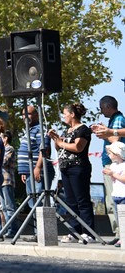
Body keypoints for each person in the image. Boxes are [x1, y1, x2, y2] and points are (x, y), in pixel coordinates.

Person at [48, 102, 94, 242]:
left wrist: (62, 143)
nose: (64, 117)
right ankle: (75, 231)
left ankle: (89, 232)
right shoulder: (66, 131)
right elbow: (60, 148)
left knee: (82, 199)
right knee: (70, 201)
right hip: (65, 168)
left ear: (72, 114)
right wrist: (56, 139)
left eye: (65, 114)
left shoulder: (83, 129)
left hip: (78, 167)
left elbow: (78, 147)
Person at [92, 95, 124, 240]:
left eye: (101, 108)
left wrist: (104, 133)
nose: (101, 111)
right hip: (111, 163)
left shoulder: (117, 119)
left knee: (113, 199)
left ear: (107, 106)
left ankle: (119, 232)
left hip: (113, 164)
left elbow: (115, 141)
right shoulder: (114, 120)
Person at [0, 130, 18, 238]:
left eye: (1, 137)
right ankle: (8, 229)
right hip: (1, 181)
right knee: (4, 208)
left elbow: (3, 162)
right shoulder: (1, 150)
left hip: (7, 180)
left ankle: (13, 230)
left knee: (9, 206)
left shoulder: (9, 149)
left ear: (5, 138)